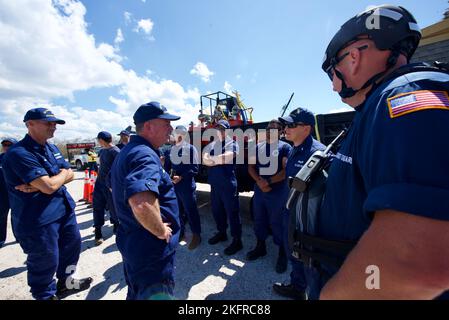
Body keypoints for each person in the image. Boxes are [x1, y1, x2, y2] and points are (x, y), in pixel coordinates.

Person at [299, 4, 449, 299]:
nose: (333, 86)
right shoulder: (389, 99)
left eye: (333, 72)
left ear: (353, 57)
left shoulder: (405, 98)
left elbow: (416, 260)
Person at [2, 108, 92, 300]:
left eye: (55, 124)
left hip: (63, 210)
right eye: (48, 123)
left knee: (72, 247)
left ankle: (66, 282)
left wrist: (48, 182)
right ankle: (44, 295)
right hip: (38, 218)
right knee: (45, 259)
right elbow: (50, 185)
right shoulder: (19, 153)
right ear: (30, 124)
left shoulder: (50, 147)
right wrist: (52, 181)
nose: (53, 127)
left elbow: (67, 173)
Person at [111, 101, 181, 300]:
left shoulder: (128, 151)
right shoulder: (144, 154)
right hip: (150, 248)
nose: (171, 129)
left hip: (135, 242)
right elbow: (141, 203)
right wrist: (160, 230)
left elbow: (112, 184)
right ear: (149, 126)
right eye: (166, 123)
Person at [272, 108, 325, 300]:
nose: (286, 128)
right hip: (291, 213)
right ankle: (297, 287)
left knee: (309, 260)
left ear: (307, 128)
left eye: (291, 125)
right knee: (292, 252)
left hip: (307, 219)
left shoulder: (318, 154)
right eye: (286, 125)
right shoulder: (295, 148)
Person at [247, 120, 291, 274]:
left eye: (275, 129)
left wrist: (269, 181)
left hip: (277, 192)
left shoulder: (285, 147)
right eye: (268, 128)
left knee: (278, 222)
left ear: (280, 132)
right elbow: (250, 167)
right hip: (260, 190)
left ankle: (282, 252)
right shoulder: (257, 147)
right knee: (259, 219)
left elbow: (286, 171)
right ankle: (261, 247)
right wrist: (259, 181)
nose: (270, 131)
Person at [202, 119, 242, 255]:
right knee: (217, 211)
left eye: (222, 129)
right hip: (215, 184)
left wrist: (212, 160)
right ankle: (222, 233)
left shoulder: (233, 143)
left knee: (232, 213)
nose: (220, 131)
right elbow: (204, 160)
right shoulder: (212, 144)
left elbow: (226, 158)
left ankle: (237, 241)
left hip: (227, 184)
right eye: (218, 129)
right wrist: (215, 160)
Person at [164, 125, 202, 250]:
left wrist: (181, 177)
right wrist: (167, 177)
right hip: (174, 186)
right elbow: (167, 167)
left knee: (191, 211)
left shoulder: (190, 149)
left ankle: (196, 235)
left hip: (186, 186)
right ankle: (180, 233)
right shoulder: (171, 150)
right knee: (177, 212)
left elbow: (195, 169)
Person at [92, 131, 120, 245]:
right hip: (100, 184)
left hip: (111, 185)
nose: (98, 142)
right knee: (97, 206)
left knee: (114, 208)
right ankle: (98, 231)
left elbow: (119, 170)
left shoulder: (116, 152)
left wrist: (114, 186)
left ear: (101, 140)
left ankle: (117, 226)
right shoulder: (103, 151)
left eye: (98, 140)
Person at [0, 138, 18, 248]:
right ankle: (1, 239)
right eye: (4, 145)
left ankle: (19, 236)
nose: (6, 147)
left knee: (17, 216)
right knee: (1, 217)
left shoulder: (21, 158)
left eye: (9, 145)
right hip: (2, 194)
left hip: (17, 193)